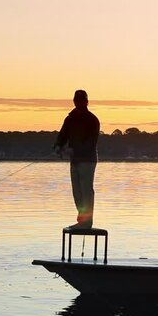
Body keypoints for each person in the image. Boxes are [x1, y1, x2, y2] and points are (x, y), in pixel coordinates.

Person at [54, 89, 100, 229]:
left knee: (86, 190)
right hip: (75, 161)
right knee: (77, 191)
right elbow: (63, 135)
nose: (79, 102)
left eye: (82, 100)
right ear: (74, 101)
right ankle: (82, 220)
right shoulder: (70, 118)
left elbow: (90, 143)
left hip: (88, 160)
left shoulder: (93, 120)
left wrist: (74, 150)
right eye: (77, 100)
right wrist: (58, 146)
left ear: (86, 101)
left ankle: (87, 222)